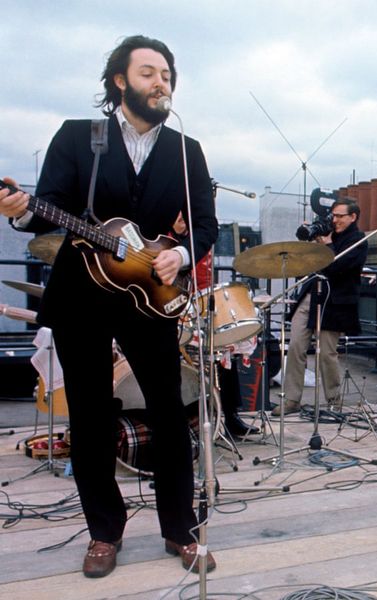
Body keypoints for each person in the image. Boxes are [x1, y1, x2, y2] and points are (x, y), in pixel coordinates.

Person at [0, 35, 218, 577]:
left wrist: (180, 256)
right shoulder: (81, 137)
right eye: (148, 72)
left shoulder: (186, 149)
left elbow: (206, 224)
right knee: (93, 419)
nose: (160, 82)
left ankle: (180, 530)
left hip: (150, 298)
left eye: (166, 74)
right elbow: (46, 208)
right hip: (81, 297)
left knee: (170, 416)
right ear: (120, 81)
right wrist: (19, 212)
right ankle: (104, 531)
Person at [272, 198, 368, 415]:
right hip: (312, 294)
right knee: (295, 346)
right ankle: (291, 400)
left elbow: (340, 266)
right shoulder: (327, 233)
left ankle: (334, 401)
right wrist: (310, 239)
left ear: (353, 217)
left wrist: (327, 245)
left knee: (326, 352)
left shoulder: (358, 240)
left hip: (335, 300)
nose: (335, 221)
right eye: (333, 216)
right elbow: (307, 264)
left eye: (340, 216)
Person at [172, 213, 253, 438]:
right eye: (178, 216)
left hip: (199, 305)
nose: (182, 220)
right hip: (169, 306)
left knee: (224, 350)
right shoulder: (163, 239)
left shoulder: (199, 240)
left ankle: (231, 415)